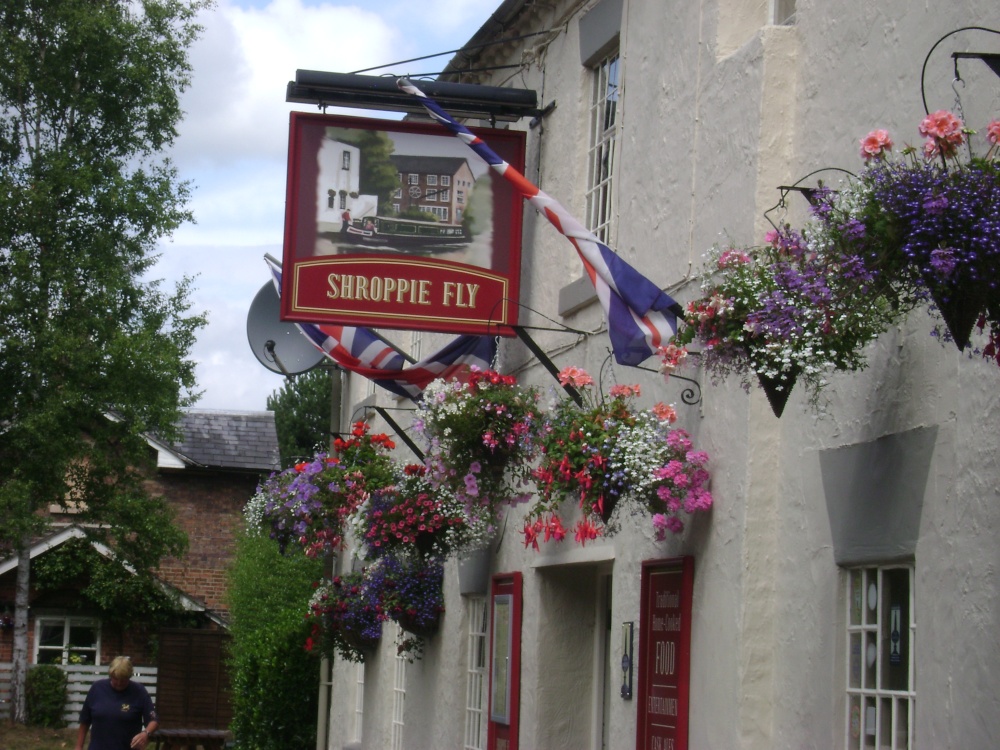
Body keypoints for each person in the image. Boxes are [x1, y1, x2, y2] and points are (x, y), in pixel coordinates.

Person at [75, 656, 159, 750]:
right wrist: (79, 746)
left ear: (129, 676)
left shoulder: (139, 692)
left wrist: (145, 733)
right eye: (115, 678)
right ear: (111, 675)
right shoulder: (97, 688)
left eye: (123, 680)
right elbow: (85, 721)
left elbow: (154, 721)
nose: (119, 683)